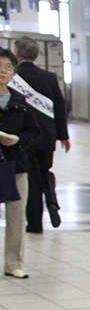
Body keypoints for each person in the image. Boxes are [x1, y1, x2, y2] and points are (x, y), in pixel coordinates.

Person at [13, 36, 70, 233]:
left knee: (30, 180)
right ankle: (52, 201)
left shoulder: (13, 77)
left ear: (16, 53)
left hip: (24, 137)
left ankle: (35, 223)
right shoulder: (49, 77)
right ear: (37, 55)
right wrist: (64, 135)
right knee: (44, 172)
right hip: (47, 137)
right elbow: (60, 107)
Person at [0, 48, 41, 279]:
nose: (2, 72)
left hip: (15, 165)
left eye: (8, 67)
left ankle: (13, 263)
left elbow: (34, 133)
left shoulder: (20, 102)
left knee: (16, 216)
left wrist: (17, 141)